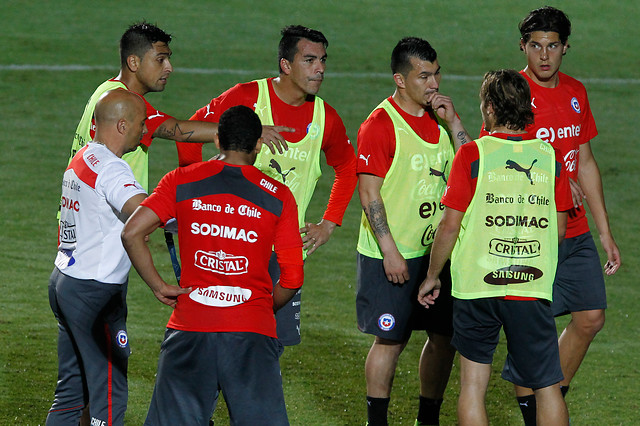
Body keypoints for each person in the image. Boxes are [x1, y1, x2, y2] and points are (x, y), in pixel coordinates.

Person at [478, 7, 622, 423]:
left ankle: (549, 395)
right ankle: (537, 411)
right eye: (536, 46)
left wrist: (605, 231)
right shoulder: (511, 94)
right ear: (523, 47)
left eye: (553, 46)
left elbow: (587, 160)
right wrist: (552, 180)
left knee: (591, 317)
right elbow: (495, 161)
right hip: (530, 234)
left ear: (565, 48)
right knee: (532, 333)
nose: (544, 56)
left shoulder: (576, 92)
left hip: (575, 232)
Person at [121, 105, 304, 425]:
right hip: (252, 333)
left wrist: (159, 285)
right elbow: (292, 277)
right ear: (258, 144)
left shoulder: (180, 180)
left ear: (217, 140)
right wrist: (258, 307)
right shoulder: (279, 196)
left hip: (190, 328)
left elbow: (132, 232)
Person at [186, 25, 357, 347]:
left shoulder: (325, 118)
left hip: (284, 255)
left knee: (270, 345)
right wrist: (197, 204)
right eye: (309, 60)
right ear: (285, 65)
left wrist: (329, 223)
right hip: (232, 248)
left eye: (322, 60)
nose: (319, 68)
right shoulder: (247, 98)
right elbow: (188, 136)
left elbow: (348, 167)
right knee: (217, 341)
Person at [419, 69, 573, 425]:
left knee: (473, 386)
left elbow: (450, 225)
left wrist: (432, 275)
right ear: (526, 107)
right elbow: (561, 228)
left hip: (477, 286)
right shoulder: (550, 157)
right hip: (530, 286)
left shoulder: (473, 155)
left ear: (489, 108)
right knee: (547, 384)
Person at [355, 37, 471, 426]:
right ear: (400, 80)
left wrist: (454, 122)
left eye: (436, 73)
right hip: (393, 255)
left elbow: (471, 167)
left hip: (437, 254)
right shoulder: (380, 124)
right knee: (390, 340)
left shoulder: (440, 117)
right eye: (424, 76)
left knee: (444, 338)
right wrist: (389, 251)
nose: (434, 83)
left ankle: (428, 418)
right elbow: (369, 194)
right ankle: (377, 421)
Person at [47, 89, 155, 425]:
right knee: (109, 392)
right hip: (95, 293)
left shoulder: (84, 157)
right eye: (141, 122)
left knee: (70, 393)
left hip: (65, 282)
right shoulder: (112, 170)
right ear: (122, 125)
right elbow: (143, 212)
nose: (145, 129)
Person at [68, 21, 221, 192]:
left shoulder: (106, 90)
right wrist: (244, 132)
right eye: (160, 60)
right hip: (107, 212)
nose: (169, 68)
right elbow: (179, 130)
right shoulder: (124, 103)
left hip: (81, 207)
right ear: (134, 62)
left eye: (168, 59)